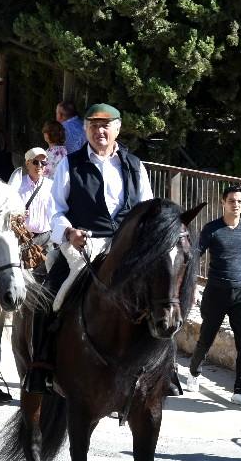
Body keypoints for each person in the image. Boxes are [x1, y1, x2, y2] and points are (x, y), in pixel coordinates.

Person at [26, 103, 155, 395]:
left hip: (127, 250)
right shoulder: (70, 164)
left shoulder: (135, 165)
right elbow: (55, 211)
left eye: (106, 125)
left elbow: (148, 210)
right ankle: (40, 367)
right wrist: (69, 232)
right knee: (49, 296)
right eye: (94, 125)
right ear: (84, 129)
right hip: (82, 248)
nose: (100, 131)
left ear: (118, 128)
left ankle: (164, 369)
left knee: (162, 297)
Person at [184, 187, 241, 408]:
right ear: (223, 203)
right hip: (215, 292)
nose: (236, 205)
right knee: (206, 339)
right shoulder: (212, 229)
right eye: (232, 201)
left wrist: (240, 280)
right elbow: (194, 256)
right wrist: (194, 286)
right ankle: (194, 372)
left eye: (240, 201)